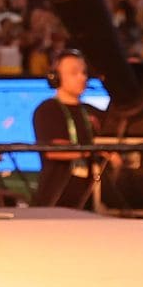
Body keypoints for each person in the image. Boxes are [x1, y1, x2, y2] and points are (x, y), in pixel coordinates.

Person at [33, 49, 105, 208]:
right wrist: (92, 150)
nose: (82, 77)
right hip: (56, 199)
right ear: (56, 78)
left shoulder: (92, 112)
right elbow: (53, 150)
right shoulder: (47, 109)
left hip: (91, 199)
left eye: (84, 72)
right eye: (74, 73)